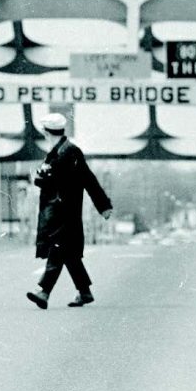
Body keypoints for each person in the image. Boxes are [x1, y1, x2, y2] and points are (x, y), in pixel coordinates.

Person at [26, 113, 113, 310]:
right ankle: (84, 292)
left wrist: (38, 179)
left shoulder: (68, 152)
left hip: (64, 214)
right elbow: (87, 180)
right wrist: (104, 206)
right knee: (70, 256)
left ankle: (44, 292)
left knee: (57, 252)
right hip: (60, 213)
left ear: (47, 133)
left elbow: (79, 180)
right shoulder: (62, 152)